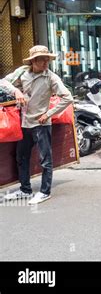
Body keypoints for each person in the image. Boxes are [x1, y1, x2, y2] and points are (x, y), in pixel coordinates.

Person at [1, 45, 73, 205]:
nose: (46, 62)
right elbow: (3, 82)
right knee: (21, 156)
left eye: (47, 59)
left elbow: (68, 98)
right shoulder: (22, 72)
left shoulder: (51, 77)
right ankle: (25, 189)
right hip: (24, 123)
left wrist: (48, 114)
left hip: (41, 124)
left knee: (45, 159)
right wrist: (16, 91)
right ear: (33, 61)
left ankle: (45, 191)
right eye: (42, 59)